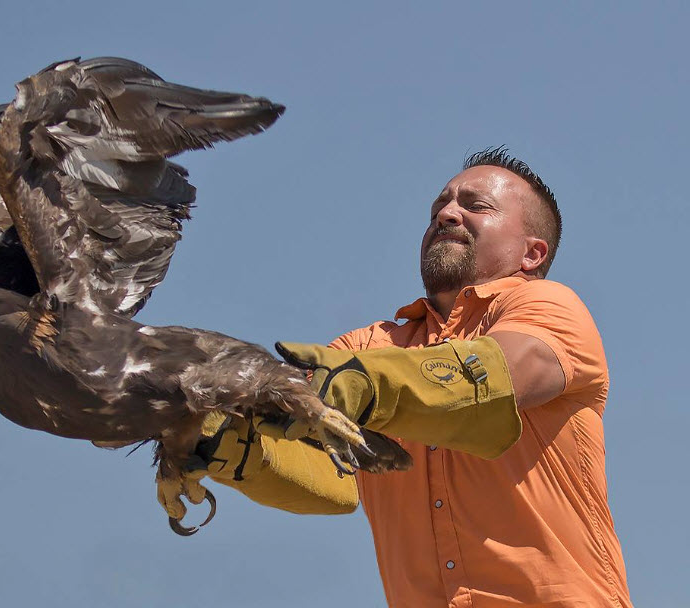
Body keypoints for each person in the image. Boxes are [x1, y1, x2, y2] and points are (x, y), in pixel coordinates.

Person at [193, 148, 631, 607]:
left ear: (531, 253)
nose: (445, 214)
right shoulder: (368, 348)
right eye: (438, 207)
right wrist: (220, 441)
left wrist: (362, 387)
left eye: (475, 205)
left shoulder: (549, 306)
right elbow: (330, 478)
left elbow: (497, 378)